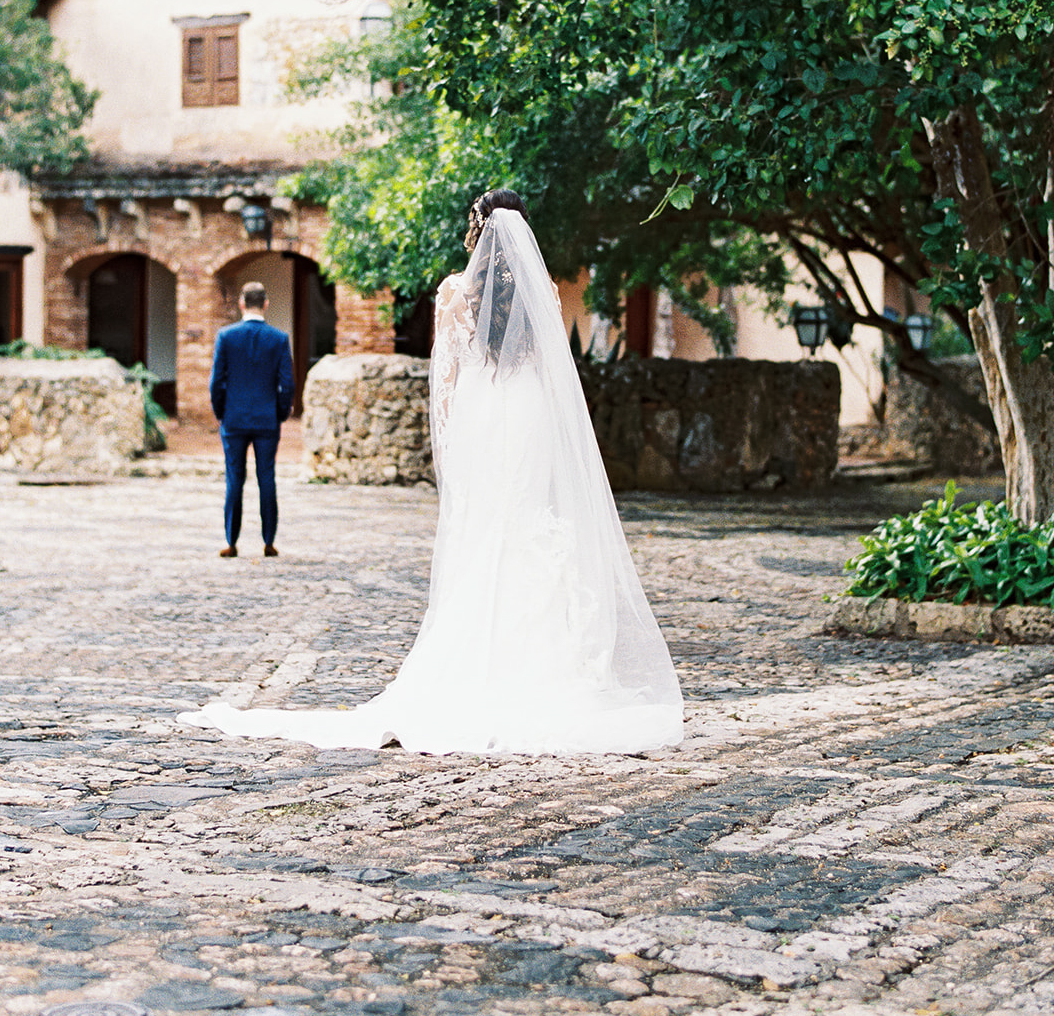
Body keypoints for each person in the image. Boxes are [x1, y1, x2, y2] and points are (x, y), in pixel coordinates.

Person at [182, 193, 683, 753]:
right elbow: (551, 371)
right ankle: (550, 663)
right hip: (526, 410)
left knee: (484, 524)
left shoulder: (454, 292)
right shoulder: (540, 290)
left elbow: (443, 382)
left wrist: (450, 451)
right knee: (529, 517)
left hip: (482, 411)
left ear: (477, 230)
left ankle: (476, 658)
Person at [209, 280, 295, 559]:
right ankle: (268, 541)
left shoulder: (226, 336)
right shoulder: (279, 339)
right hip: (266, 421)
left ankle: (231, 541)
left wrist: (222, 412)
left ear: (242, 304)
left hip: (233, 420)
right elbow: (288, 384)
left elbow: (216, 382)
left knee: (234, 479)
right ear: (266, 304)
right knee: (266, 478)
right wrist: (280, 413)